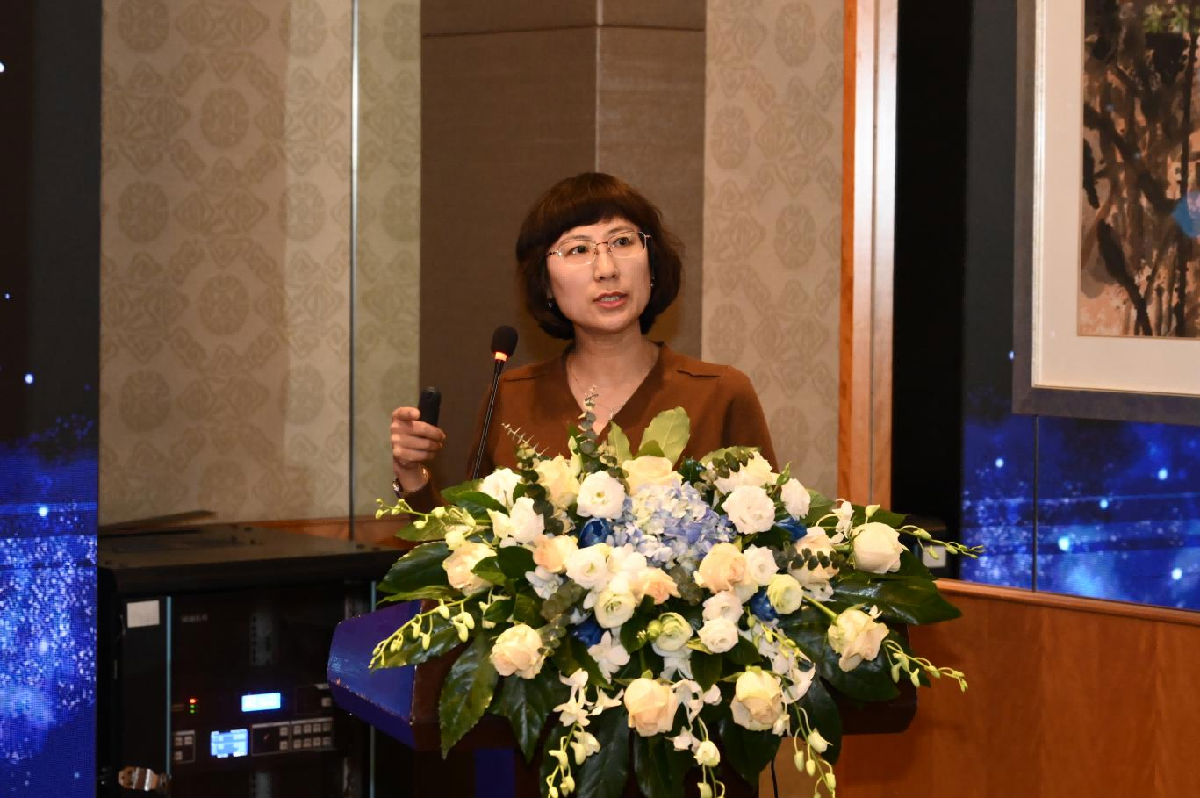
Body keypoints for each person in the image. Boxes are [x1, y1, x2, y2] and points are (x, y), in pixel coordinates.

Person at [389, 172, 776, 507]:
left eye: (622, 242)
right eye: (578, 249)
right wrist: (412, 475)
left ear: (653, 263)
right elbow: (468, 551)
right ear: (546, 283)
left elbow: (771, 543)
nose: (606, 269)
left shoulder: (720, 394)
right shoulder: (512, 396)